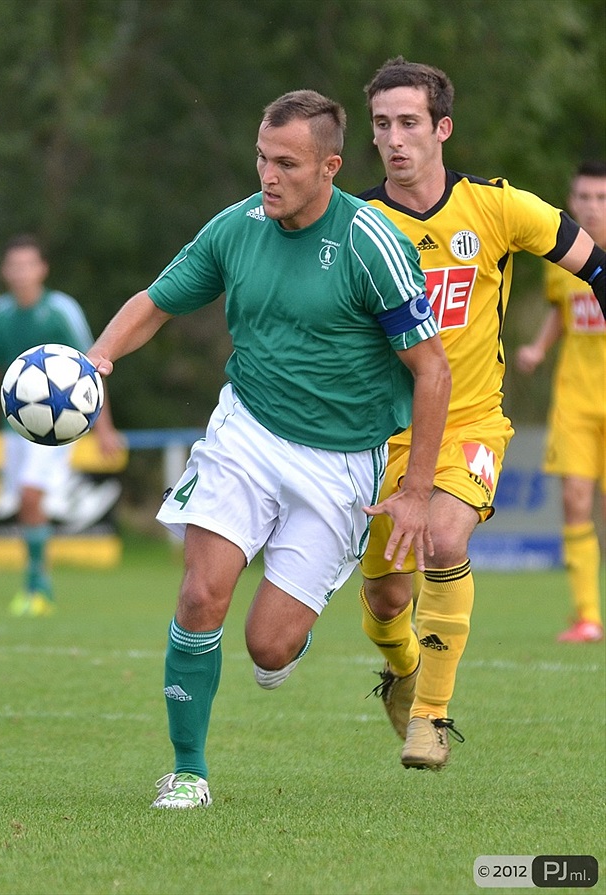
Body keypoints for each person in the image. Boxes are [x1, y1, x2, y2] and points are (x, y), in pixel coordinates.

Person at [87, 90, 451, 808]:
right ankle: (187, 769)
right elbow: (156, 300)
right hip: (245, 434)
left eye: (287, 163)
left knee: (268, 646)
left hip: (342, 461)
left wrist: (416, 492)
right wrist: (97, 359)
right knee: (199, 594)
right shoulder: (237, 228)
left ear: (330, 167)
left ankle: (292, 629)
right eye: (261, 157)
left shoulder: (368, 242)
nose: (268, 175)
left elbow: (431, 369)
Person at [356, 58, 606, 771]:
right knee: (383, 595)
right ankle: (402, 667)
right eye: (381, 125)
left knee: (442, 537)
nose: (395, 139)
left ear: (443, 129)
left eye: (409, 122)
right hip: (384, 437)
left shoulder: (498, 208)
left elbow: (597, 267)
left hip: (470, 422)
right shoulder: (359, 224)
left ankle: (430, 719)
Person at [0, 234, 122, 617]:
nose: (20, 273)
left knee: (31, 495)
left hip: (60, 427)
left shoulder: (62, 310)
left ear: (42, 269)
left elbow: (90, 371)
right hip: (16, 425)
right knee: (24, 504)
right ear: (4, 271)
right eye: (13, 266)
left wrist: (104, 428)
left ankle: (38, 585)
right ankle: (34, 581)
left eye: (28, 264)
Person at [516, 161, 606, 644]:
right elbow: (561, 310)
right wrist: (537, 347)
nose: (591, 207)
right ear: (572, 202)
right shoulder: (567, 259)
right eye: (584, 198)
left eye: (601, 198)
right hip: (575, 399)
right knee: (574, 501)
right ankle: (588, 617)